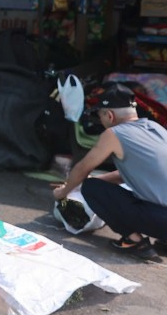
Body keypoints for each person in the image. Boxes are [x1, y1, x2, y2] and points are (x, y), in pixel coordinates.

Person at [53, 85, 167, 261]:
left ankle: (134, 241)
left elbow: (83, 167)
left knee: (92, 188)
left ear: (109, 115)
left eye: (100, 116)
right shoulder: (155, 128)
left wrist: (64, 192)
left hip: (162, 219)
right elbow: (128, 174)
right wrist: (93, 180)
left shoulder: (114, 134)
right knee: (95, 184)